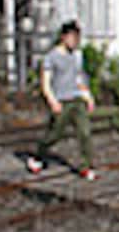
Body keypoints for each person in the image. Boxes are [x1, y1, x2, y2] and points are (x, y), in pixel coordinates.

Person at [26, 20, 97, 180]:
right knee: (54, 134)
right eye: (72, 37)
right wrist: (52, 101)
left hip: (77, 99)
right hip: (61, 100)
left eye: (77, 38)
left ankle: (86, 167)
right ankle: (38, 156)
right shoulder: (51, 57)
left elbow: (80, 78)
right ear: (63, 37)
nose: (75, 41)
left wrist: (88, 97)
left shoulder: (78, 55)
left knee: (85, 133)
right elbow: (45, 83)